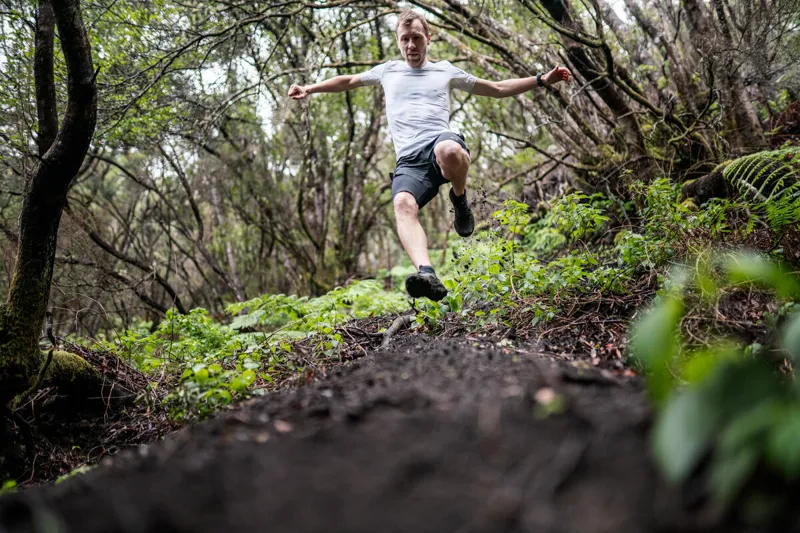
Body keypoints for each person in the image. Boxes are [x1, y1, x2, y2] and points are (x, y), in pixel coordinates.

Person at [288, 9, 571, 301]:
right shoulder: (387, 71)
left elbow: (497, 88)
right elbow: (347, 81)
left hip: (438, 142)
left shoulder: (445, 70)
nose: (411, 45)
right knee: (402, 204)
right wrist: (309, 88)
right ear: (398, 41)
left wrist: (541, 79)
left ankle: (459, 198)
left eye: (417, 38)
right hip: (409, 161)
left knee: (448, 149)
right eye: (405, 39)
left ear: (428, 38)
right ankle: (426, 273)